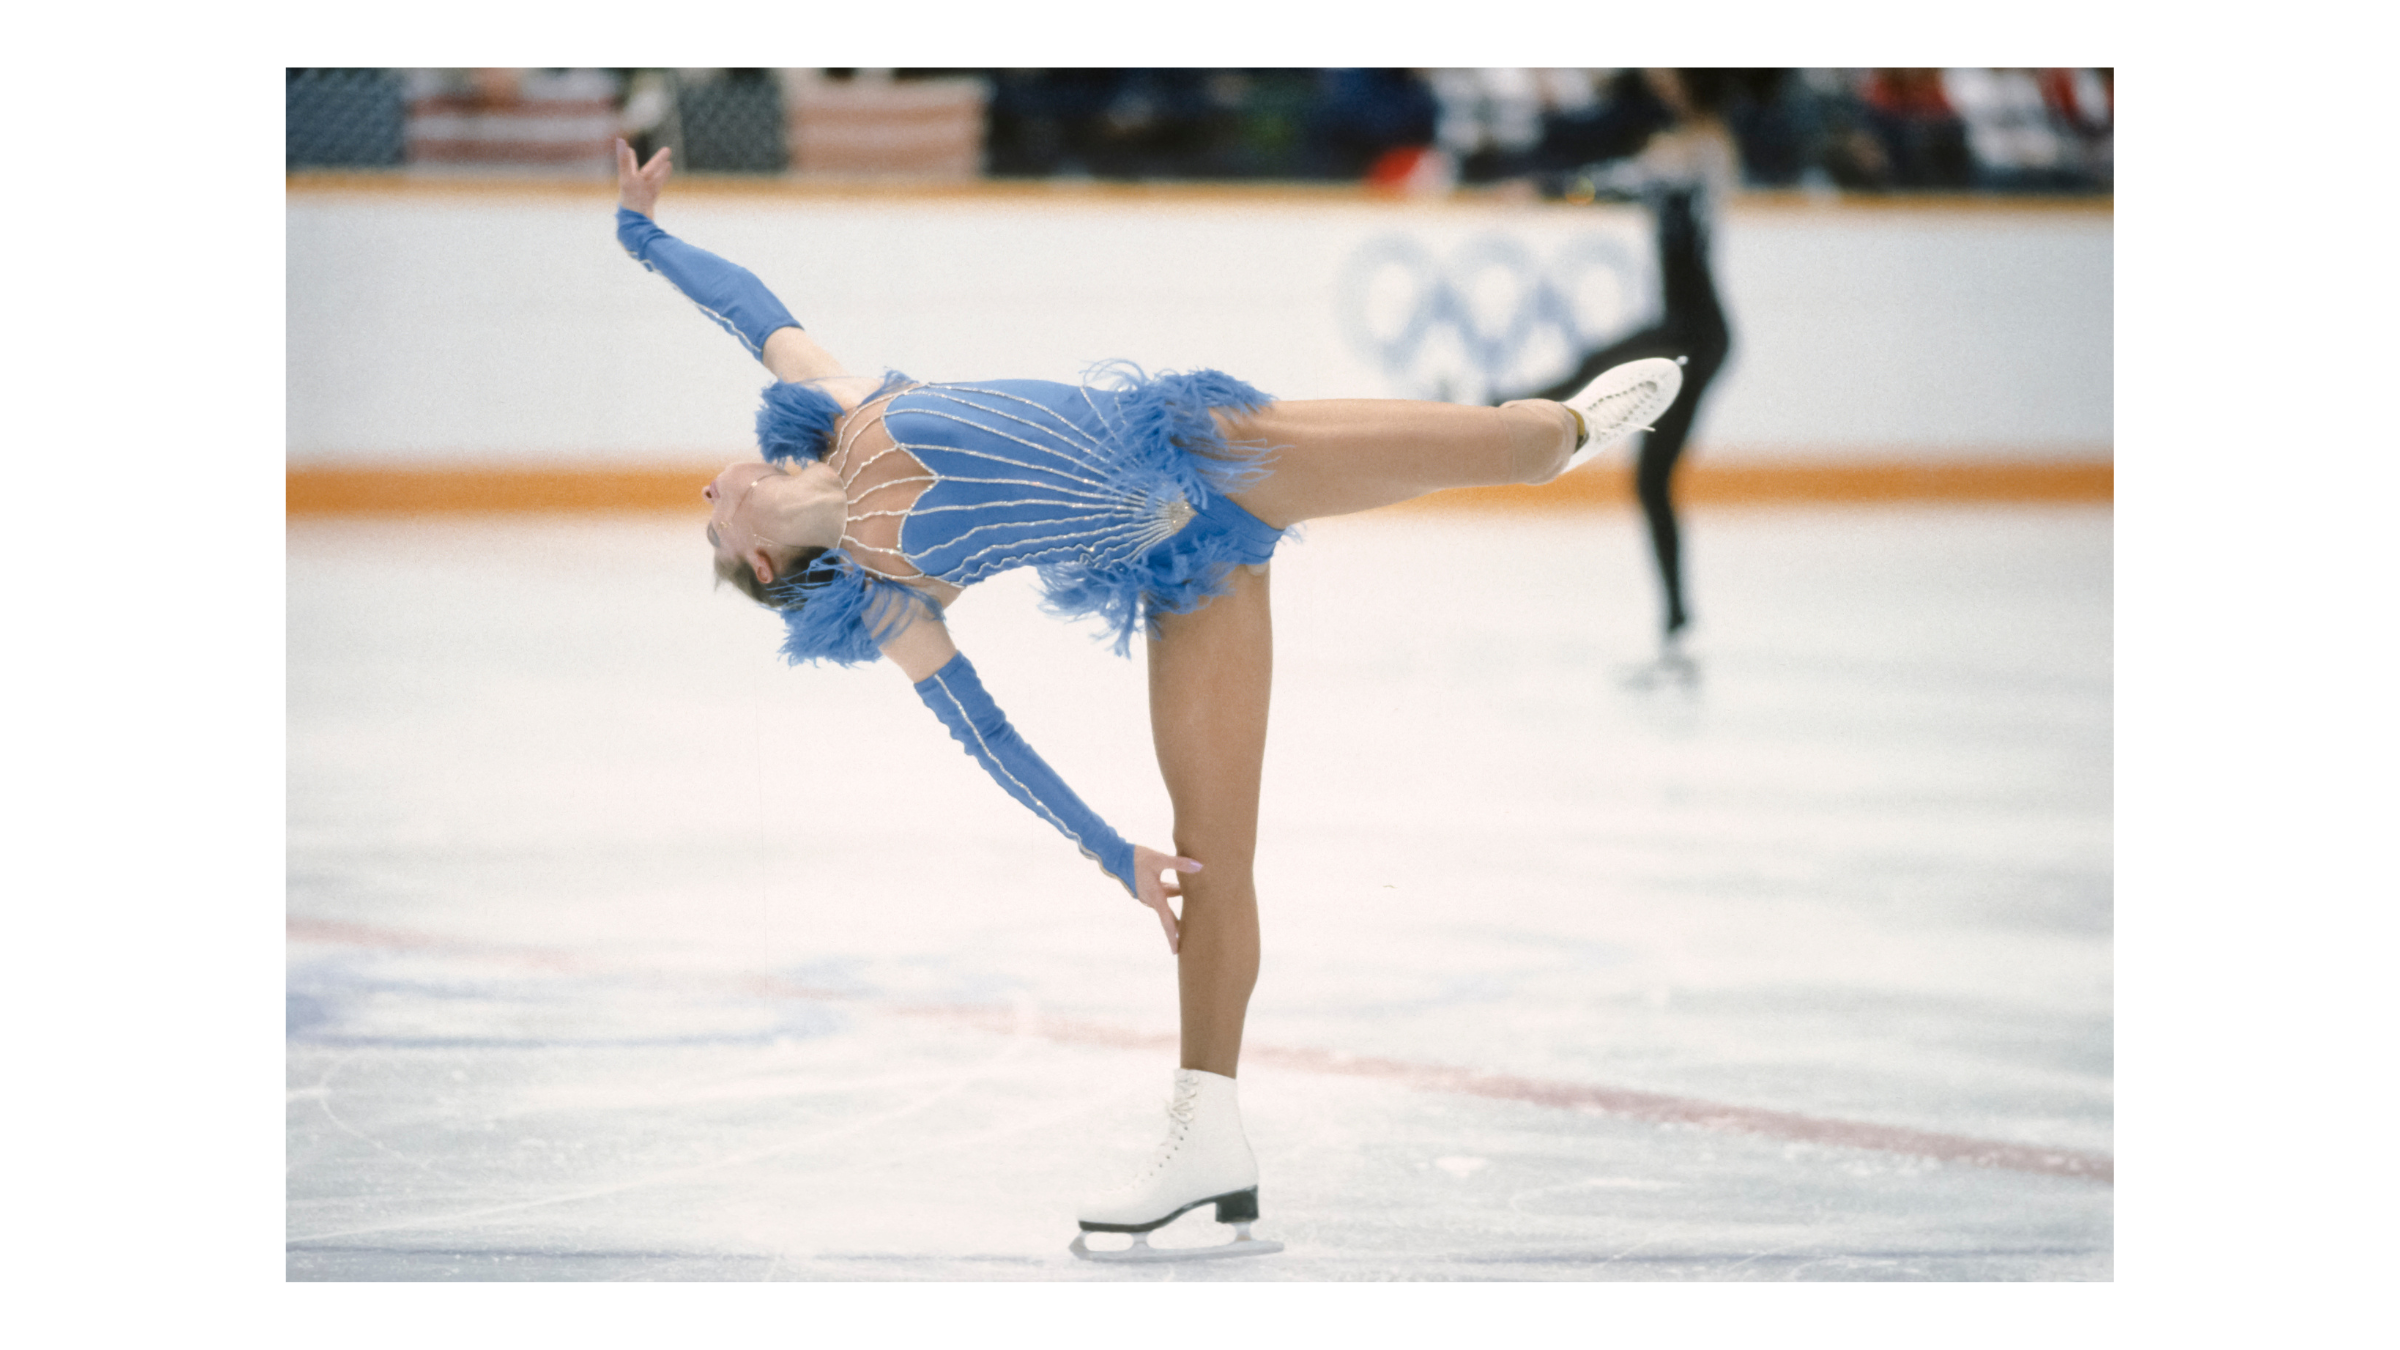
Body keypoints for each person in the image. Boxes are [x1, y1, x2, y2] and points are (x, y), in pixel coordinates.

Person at [612, 139, 1680, 1260]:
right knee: (1210, 855)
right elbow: (987, 734)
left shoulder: (841, 405)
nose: (708, 490)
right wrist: (1110, 852)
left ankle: (1562, 431)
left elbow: (747, 308)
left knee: (1518, 446)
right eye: (708, 524)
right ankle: (1207, 1131)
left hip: (1213, 454)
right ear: (764, 566)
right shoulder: (890, 597)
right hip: (1185, 575)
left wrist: (644, 238)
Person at [1511, 69, 1736, 687]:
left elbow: (1625, 180)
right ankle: (1679, 627)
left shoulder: (1699, 147)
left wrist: (1554, 186)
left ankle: (1487, 410)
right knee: (1650, 479)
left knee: (1596, 390)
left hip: (1693, 334)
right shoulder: (1689, 142)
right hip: (1688, 331)